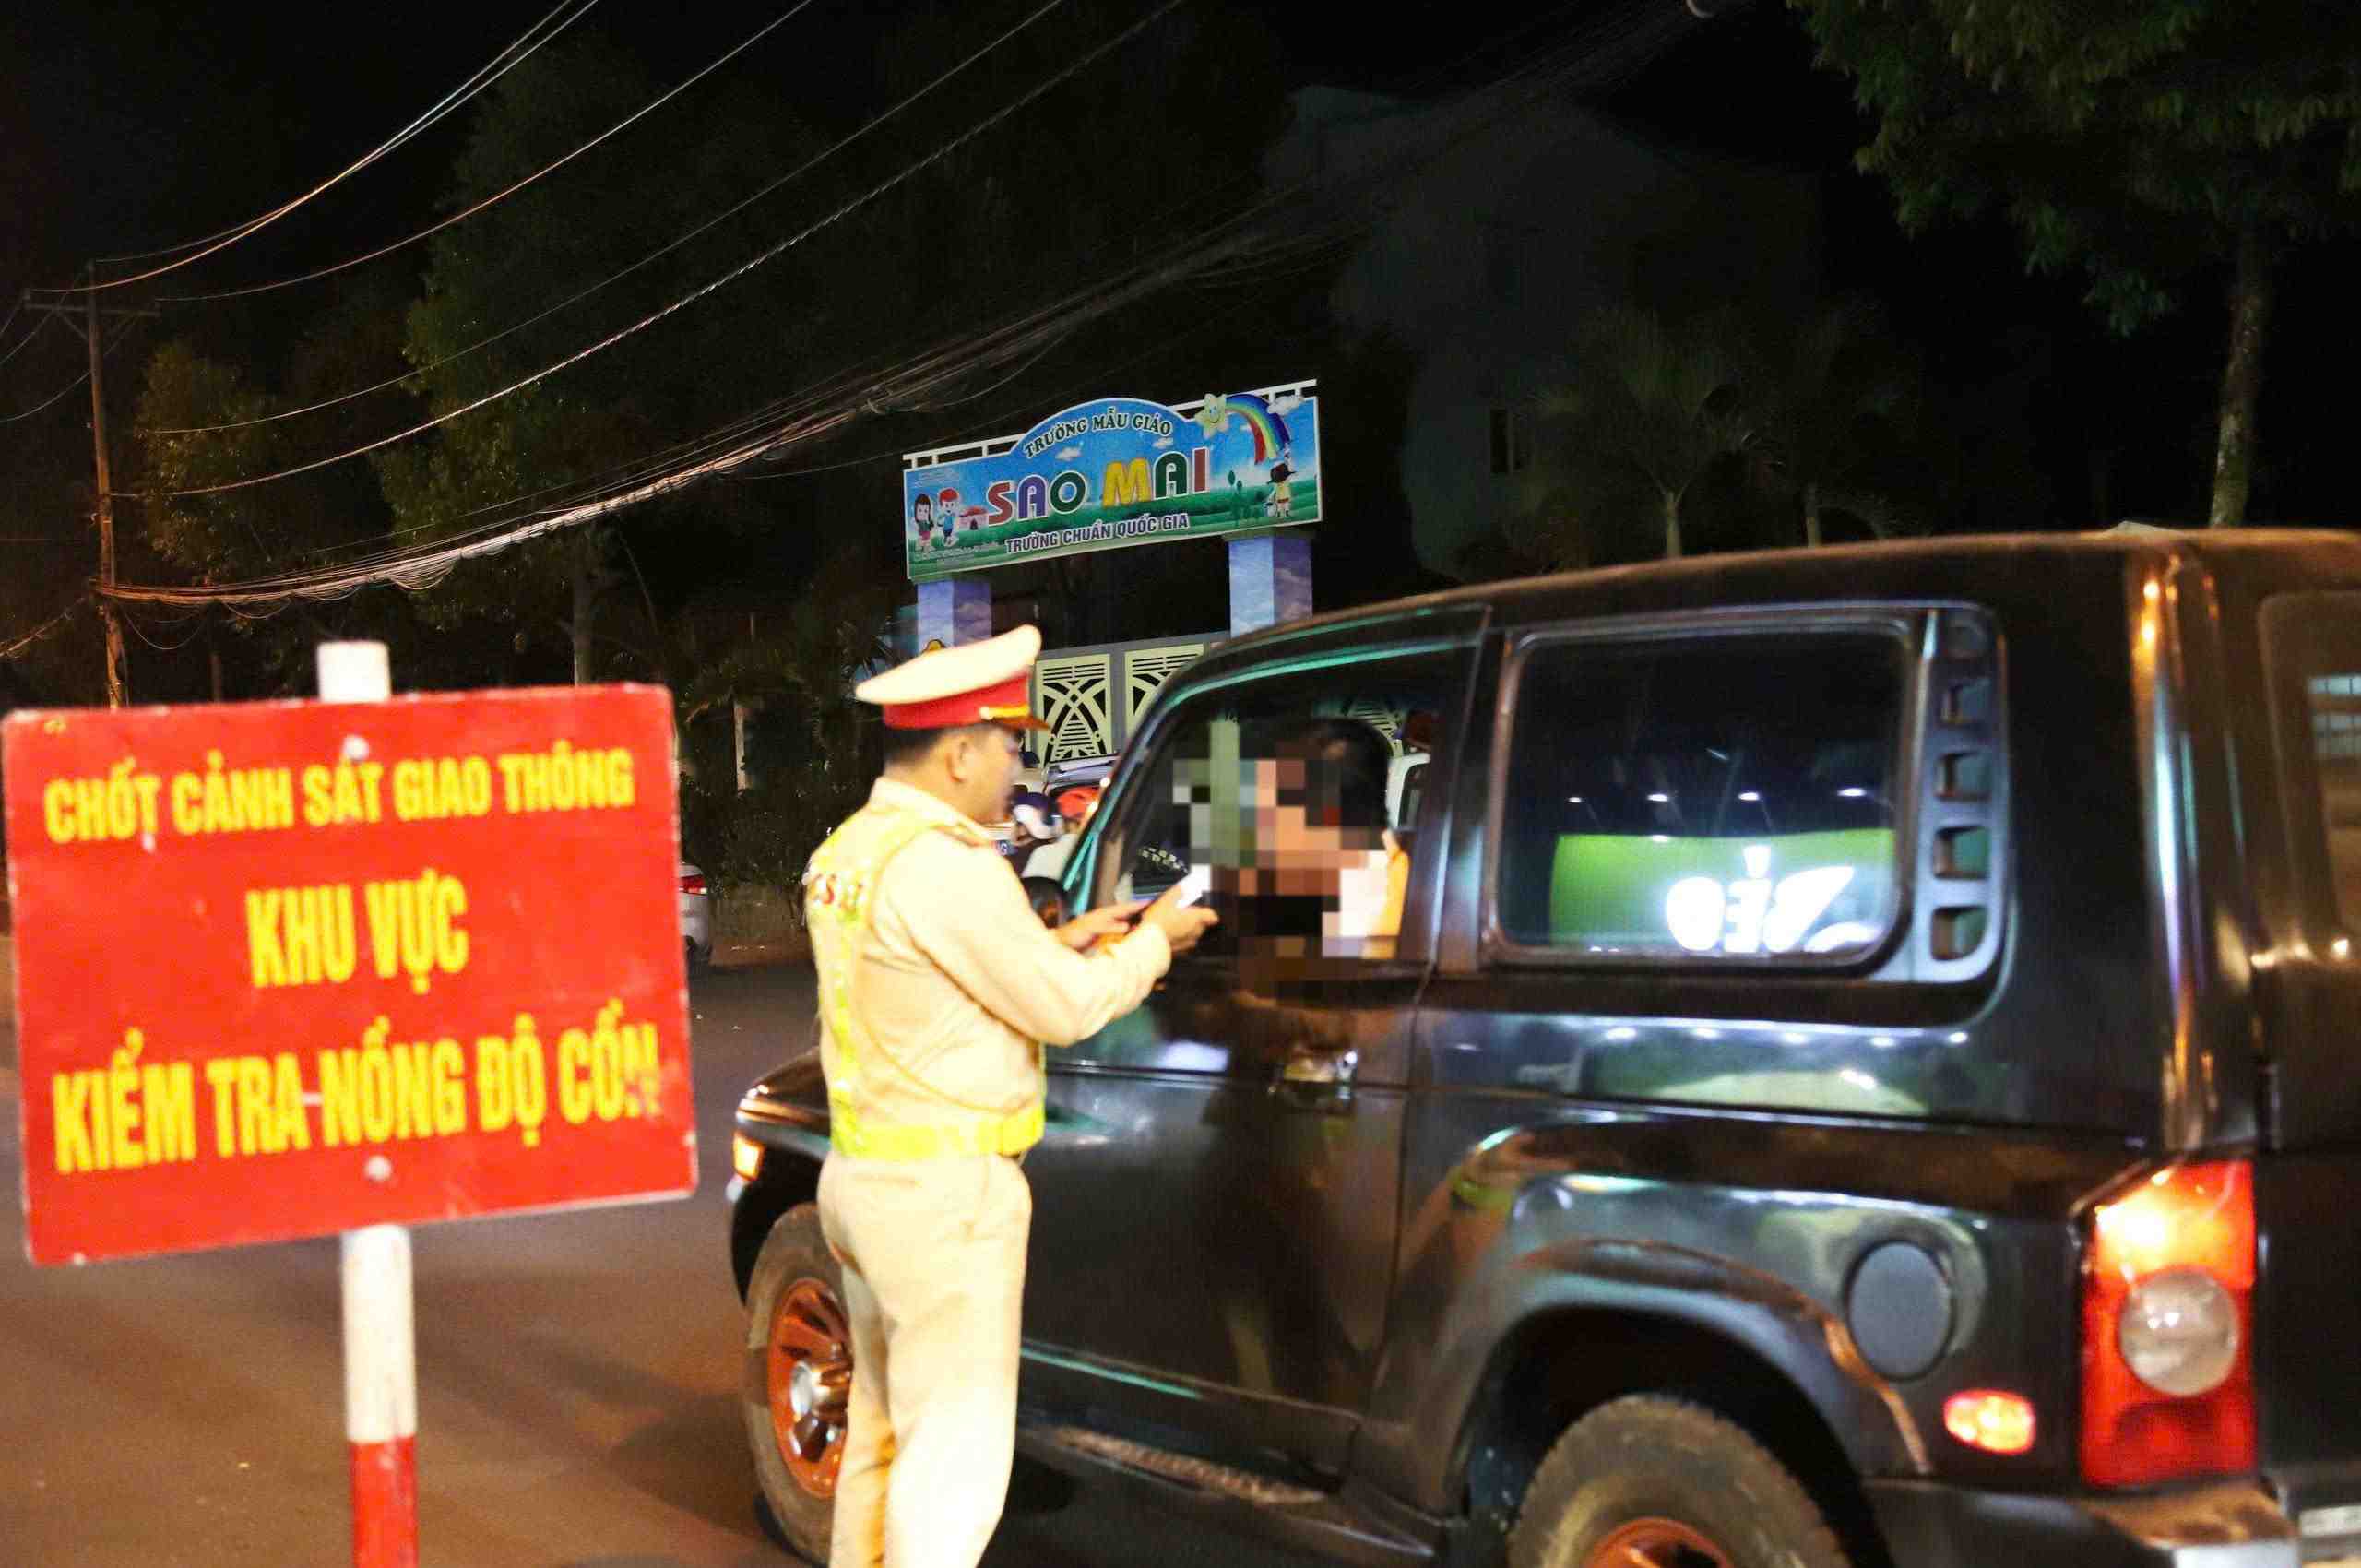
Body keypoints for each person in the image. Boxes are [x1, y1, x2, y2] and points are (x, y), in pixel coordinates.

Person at [804, 624, 1216, 1568]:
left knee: (881, 1438)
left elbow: (928, 979)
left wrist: (1058, 940)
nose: (1015, 763)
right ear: (957, 752)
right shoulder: (949, 864)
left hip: (866, 1181)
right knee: (950, 1474)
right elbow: (1066, 1011)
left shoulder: (852, 848)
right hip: (945, 1206)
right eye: (1008, 744)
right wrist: (1153, 941)